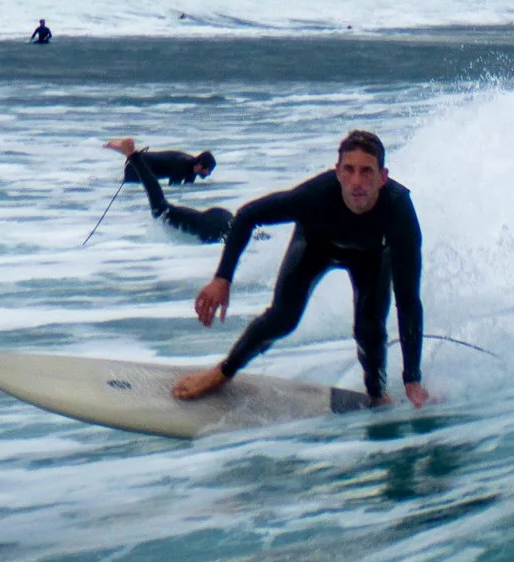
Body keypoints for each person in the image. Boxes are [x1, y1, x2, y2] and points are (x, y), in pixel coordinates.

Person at [172, 129, 427, 409]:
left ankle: (377, 396)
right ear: (338, 172)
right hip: (315, 245)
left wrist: (412, 379)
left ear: (383, 177)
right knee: (283, 317)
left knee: (370, 330)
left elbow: (408, 302)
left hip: (372, 257)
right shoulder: (314, 196)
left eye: (367, 172)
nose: (357, 182)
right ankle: (223, 371)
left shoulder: (399, 212)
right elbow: (247, 215)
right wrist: (222, 279)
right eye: (349, 170)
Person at [103, 137, 231, 244]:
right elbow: (173, 187)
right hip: (137, 167)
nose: (208, 174)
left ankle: (128, 151)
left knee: (159, 200)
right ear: (201, 165)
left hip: (205, 218)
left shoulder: (191, 171)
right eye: (208, 170)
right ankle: (130, 153)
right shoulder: (183, 164)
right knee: (158, 203)